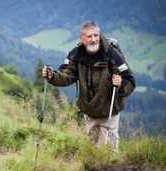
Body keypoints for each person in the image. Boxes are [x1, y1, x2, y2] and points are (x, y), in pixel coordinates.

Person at [42, 21, 135, 149]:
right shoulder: (76, 54)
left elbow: (130, 80)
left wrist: (120, 84)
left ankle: (110, 166)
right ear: (82, 38)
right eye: (89, 36)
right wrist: (52, 76)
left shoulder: (112, 53)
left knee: (108, 150)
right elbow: (66, 75)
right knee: (92, 149)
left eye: (96, 35)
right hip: (89, 112)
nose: (94, 40)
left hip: (109, 111)